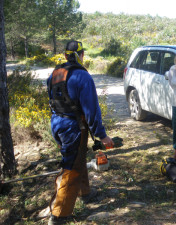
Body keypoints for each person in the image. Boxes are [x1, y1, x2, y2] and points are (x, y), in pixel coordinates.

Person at [47, 40, 114, 225]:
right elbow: (91, 110)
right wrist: (102, 135)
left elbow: (52, 103)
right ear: (81, 54)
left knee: (79, 157)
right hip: (73, 128)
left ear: (65, 55)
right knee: (71, 168)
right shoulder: (83, 77)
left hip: (58, 125)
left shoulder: (55, 74)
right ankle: (58, 215)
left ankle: (85, 192)